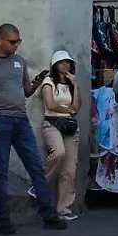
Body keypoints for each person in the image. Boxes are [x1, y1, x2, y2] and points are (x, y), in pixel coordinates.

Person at [0, 23, 67, 234]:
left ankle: (49, 215)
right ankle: (2, 218)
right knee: (1, 170)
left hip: (21, 121)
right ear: (0, 41)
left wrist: (37, 82)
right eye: (12, 41)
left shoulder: (19, 61)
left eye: (19, 41)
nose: (16, 45)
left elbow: (26, 91)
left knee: (36, 166)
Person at [39, 50, 81, 221]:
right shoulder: (49, 81)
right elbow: (50, 103)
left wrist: (76, 85)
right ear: (55, 64)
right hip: (52, 122)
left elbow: (77, 107)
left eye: (68, 62)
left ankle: (64, 207)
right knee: (59, 152)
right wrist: (66, 109)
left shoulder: (71, 83)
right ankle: (39, 182)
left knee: (70, 168)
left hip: (69, 126)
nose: (66, 65)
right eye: (62, 62)